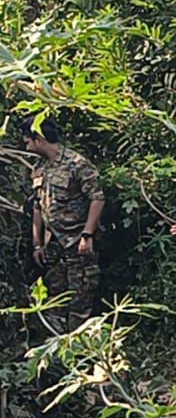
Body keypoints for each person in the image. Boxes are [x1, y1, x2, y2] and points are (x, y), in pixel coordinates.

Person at [22, 116, 105, 329]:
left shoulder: (76, 164)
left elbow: (97, 199)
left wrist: (87, 235)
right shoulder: (39, 168)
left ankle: (81, 353)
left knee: (81, 301)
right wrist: (37, 243)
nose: (26, 146)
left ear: (39, 139)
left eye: (28, 141)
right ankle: (57, 351)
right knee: (55, 301)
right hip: (53, 246)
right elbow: (38, 206)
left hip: (78, 244)